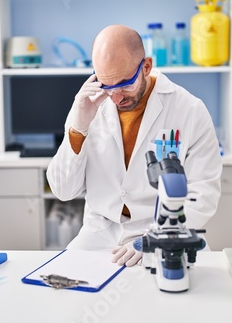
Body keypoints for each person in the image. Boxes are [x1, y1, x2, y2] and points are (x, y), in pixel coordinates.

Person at [46, 24, 222, 267]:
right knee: (65, 282)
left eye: (125, 84)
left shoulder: (190, 110)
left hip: (164, 229)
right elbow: (63, 190)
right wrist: (78, 128)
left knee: (180, 292)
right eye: (107, 86)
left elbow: (204, 194)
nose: (116, 97)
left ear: (146, 66)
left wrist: (155, 237)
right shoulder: (88, 107)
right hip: (101, 232)